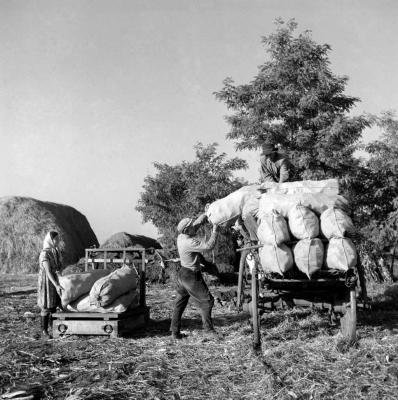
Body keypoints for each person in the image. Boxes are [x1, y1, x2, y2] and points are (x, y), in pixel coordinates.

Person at [170, 214, 220, 340]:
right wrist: (215, 231)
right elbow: (209, 246)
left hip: (182, 274)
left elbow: (196, 224)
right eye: (192, 226)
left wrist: (206, 213)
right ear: (187, 230)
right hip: (191, 276)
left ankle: (174, 332)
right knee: (207, 301)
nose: (195, 226)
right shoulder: (189, 242)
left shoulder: (181, 236)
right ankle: (208, 331)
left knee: (180, 303)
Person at [37, 231, 63, 339]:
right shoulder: (45, 253)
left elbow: (57, 267)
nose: (58, 241)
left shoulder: (54, 252)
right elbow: (47, 272)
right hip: (46, 281)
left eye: (58, 239)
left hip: (54, 280)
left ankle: (54, 329)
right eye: (56, 239)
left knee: (53, 306)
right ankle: (44, 331)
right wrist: (56, 285)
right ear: (50, 240)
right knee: (46, 306)